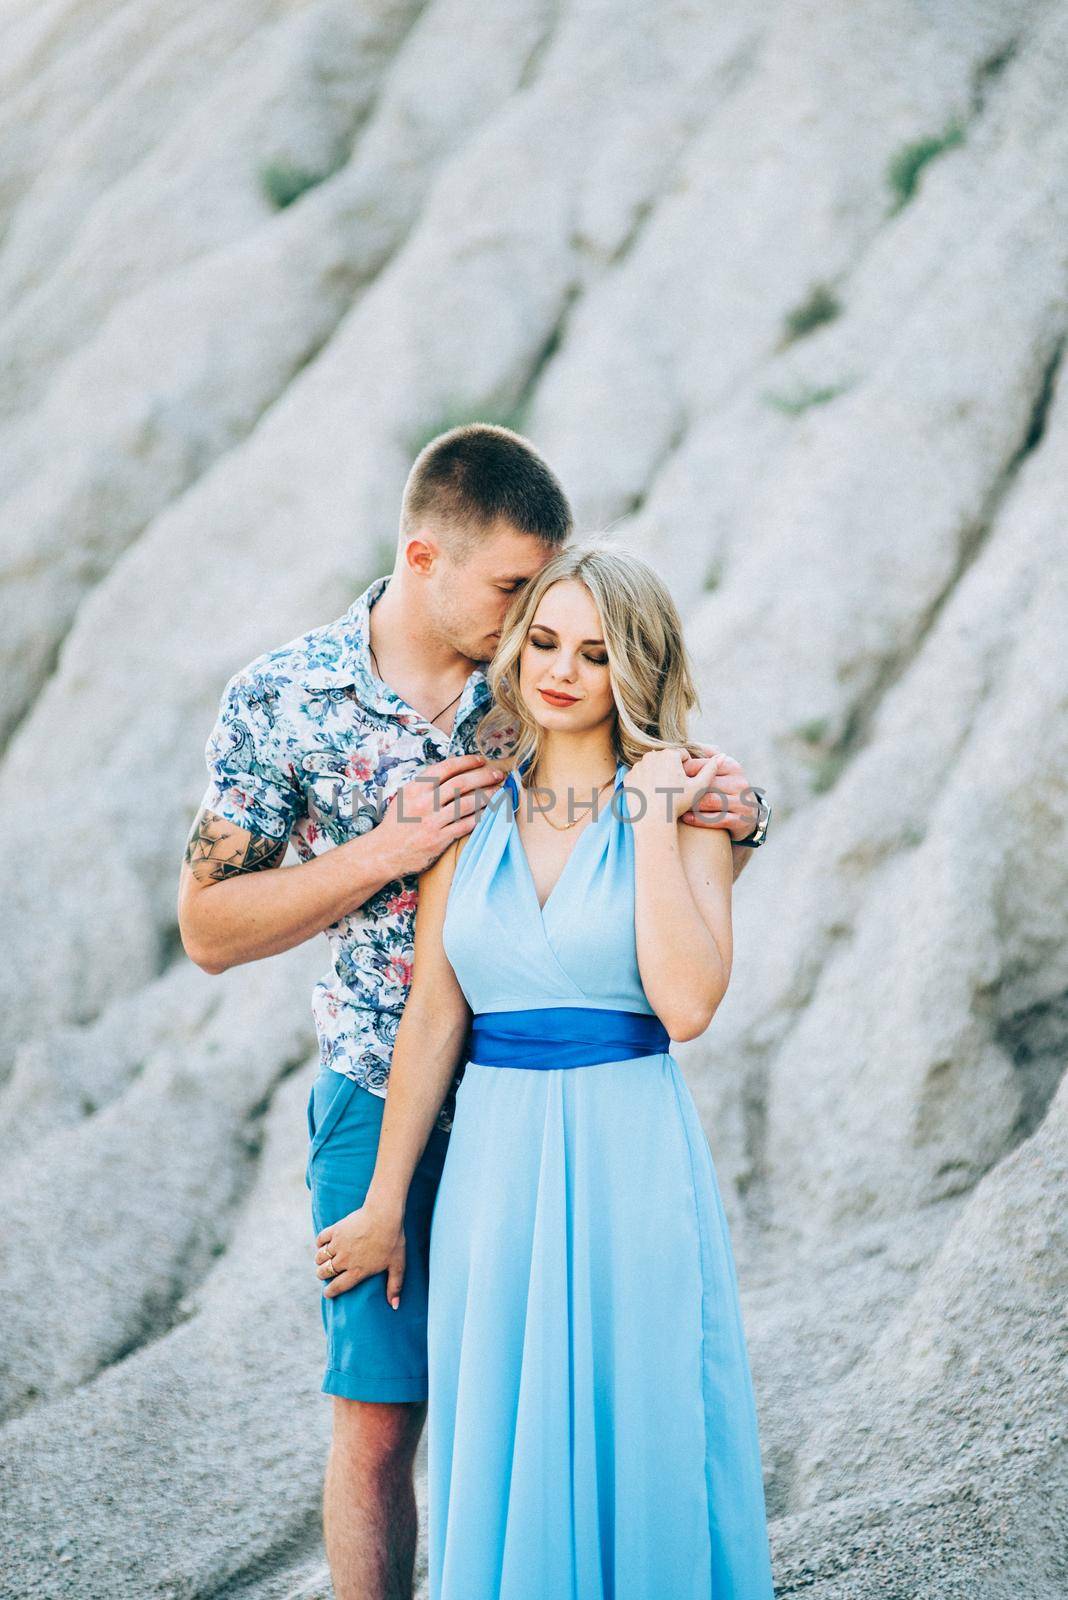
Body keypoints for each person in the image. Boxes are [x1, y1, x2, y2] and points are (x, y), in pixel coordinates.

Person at [178, 426, 771, 1600]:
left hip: (573, 1106)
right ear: (425, 557)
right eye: (517, 599)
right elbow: (206, 930)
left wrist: (737, 820)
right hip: (378, 1076)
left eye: (560, 623)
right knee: (383, 1416)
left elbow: (667, 777)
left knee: (604, 1389)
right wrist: (385, 851)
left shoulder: (525, 707)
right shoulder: (286, 700)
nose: (534, 639)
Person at [313, 541, 776, 1599]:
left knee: (641, 1405)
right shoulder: (464, 812)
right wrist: (387, 1201)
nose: (563, 669)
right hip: (497, 1165)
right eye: (547, 642)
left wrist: (654, 825)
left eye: (597, 653)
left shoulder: (691, 807)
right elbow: (433, 1015)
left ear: (636, 671)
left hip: (631, 1153)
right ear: (519, 649)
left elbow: (690, 1004)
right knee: (505, 1419)